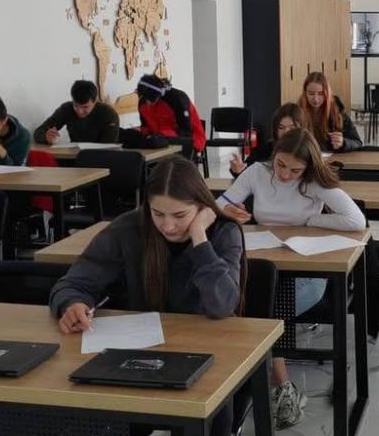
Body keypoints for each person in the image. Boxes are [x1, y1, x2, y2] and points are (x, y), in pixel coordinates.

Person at [49, 155, 242, 436]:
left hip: (207, 358)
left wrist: (200, 238)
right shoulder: (129, 228)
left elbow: (222, 304)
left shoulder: (223, 233)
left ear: (203, 207)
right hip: (138, 354)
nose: (168, 226)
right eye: (158, 213)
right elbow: (74, 283)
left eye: (180, 215)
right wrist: (72, 303)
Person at [216, 129, 366, 430]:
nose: (285, 175)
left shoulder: (314, 181)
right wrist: (228, 210)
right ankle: (269, 383)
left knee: (261, 309)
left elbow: (356, 220)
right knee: (250, 301)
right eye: (281, 165)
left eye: (295, 170)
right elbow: (218, 204)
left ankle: (276, 382)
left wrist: (310, 220)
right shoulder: (257, 172)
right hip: (264, 264)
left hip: (305, 272)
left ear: (308, 167)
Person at [124, 74, 207, 158]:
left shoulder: (178, 99)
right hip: (158, 139)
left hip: (189, 139)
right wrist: (141, 133)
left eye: (149, 99)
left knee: (156, 145)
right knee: (129, 137)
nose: (147, 103)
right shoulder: (143, 102)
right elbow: (145, 126)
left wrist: (162, 136)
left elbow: (185, 132)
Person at [229, 102, 307, 177]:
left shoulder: (308, 150)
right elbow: (247, 170)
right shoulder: (265, 149)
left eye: (292, 127)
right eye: (281, 127)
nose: (286, 132)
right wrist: (238, 170)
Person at [34, 80, 120, 145]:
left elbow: (109, 147)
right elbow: (38, 132)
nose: (79, 111)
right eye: (75, 105)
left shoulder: (108, 114)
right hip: (74, 157)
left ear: (95, 101)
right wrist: (45, 136)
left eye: (85, 107)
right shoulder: (66, 109)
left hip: (101, 159)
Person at [297, 72, 362, 153]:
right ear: (305, 93)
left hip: (333, 158)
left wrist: (343, 142)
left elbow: (357, 143)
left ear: (327, 93)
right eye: (311, 94)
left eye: (321, 94)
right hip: (305, 158)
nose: (315, 99)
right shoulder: (296, 112)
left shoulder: (338, 112)